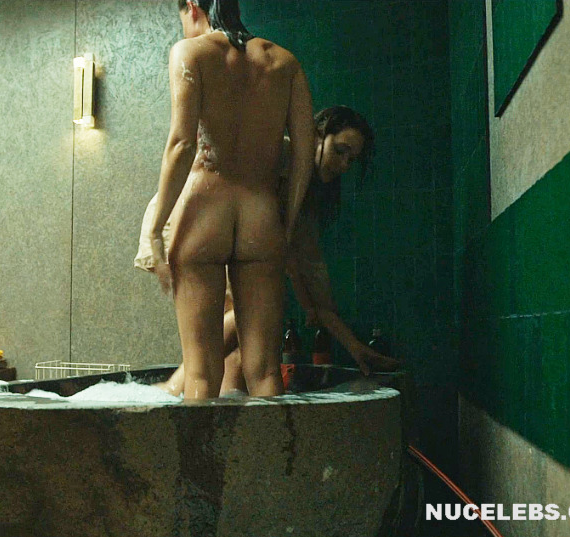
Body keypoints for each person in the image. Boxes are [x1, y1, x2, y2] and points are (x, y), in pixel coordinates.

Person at [139, 105, 402, 397]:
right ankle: (171, 390)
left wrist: (354, 347)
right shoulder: (280, 154)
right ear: (317, 135)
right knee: (247, 315)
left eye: (351, 159)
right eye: (339, 151)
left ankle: (227, 404)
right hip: (190, 216)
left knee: (247, 336)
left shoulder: (305, 191)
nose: (343, 164)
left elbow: (308, 268)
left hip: (221, 229)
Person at [149, 0, 315, 400]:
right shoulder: (285, 63)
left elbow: (182, 144)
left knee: (201, 375)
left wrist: (155, 228)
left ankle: (199, 446)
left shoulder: (189, 53)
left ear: (192, 6)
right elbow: (304, 152)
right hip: (260, 213)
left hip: (204, 210)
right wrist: (288, 222)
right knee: (265, 372)